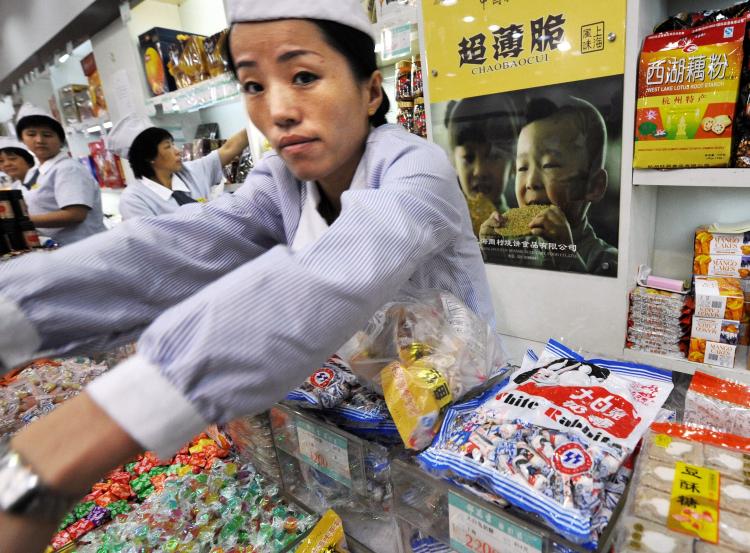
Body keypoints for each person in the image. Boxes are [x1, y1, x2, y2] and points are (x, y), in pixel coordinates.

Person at [0, 0, 494, 549]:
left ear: (371, 91)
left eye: (303, 76)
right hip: (361, 405)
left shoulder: (414, 168)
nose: (278, 110)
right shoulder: (280, 181)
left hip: (452, 404)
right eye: (254, 85)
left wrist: (94, 428)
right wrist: (15, 313)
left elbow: (335, 275)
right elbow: (181, 246)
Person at [480, 97, 617, 275]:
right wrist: (492, 251)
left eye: (549, 165)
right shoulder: (518, 248)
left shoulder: (607, 260)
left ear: (594, 186)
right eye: (522, 167)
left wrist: (565, 255)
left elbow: (591, 301)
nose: (531, 182)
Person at [108, 115, 250, 219]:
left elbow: (228, 149)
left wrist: (256, 123)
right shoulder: (134, 200)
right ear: (149, 157)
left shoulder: (191, 171)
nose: (178, 151)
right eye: (168, 146)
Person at [15, 103, 106, 245]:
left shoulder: (68, 169)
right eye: (31, 134)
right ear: (22, 139)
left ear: (61, 140)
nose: (39, 140)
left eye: (47, 135)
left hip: (83, 247)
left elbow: (76, 214)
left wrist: (20, 222)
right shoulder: (36, 171)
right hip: (59, 248)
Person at [444, 94, 518, 236]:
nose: (480, 171)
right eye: (468, 158)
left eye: (493, 156)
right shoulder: (448, 225)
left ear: (513, 163)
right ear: (453, 162)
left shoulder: (528, 236)